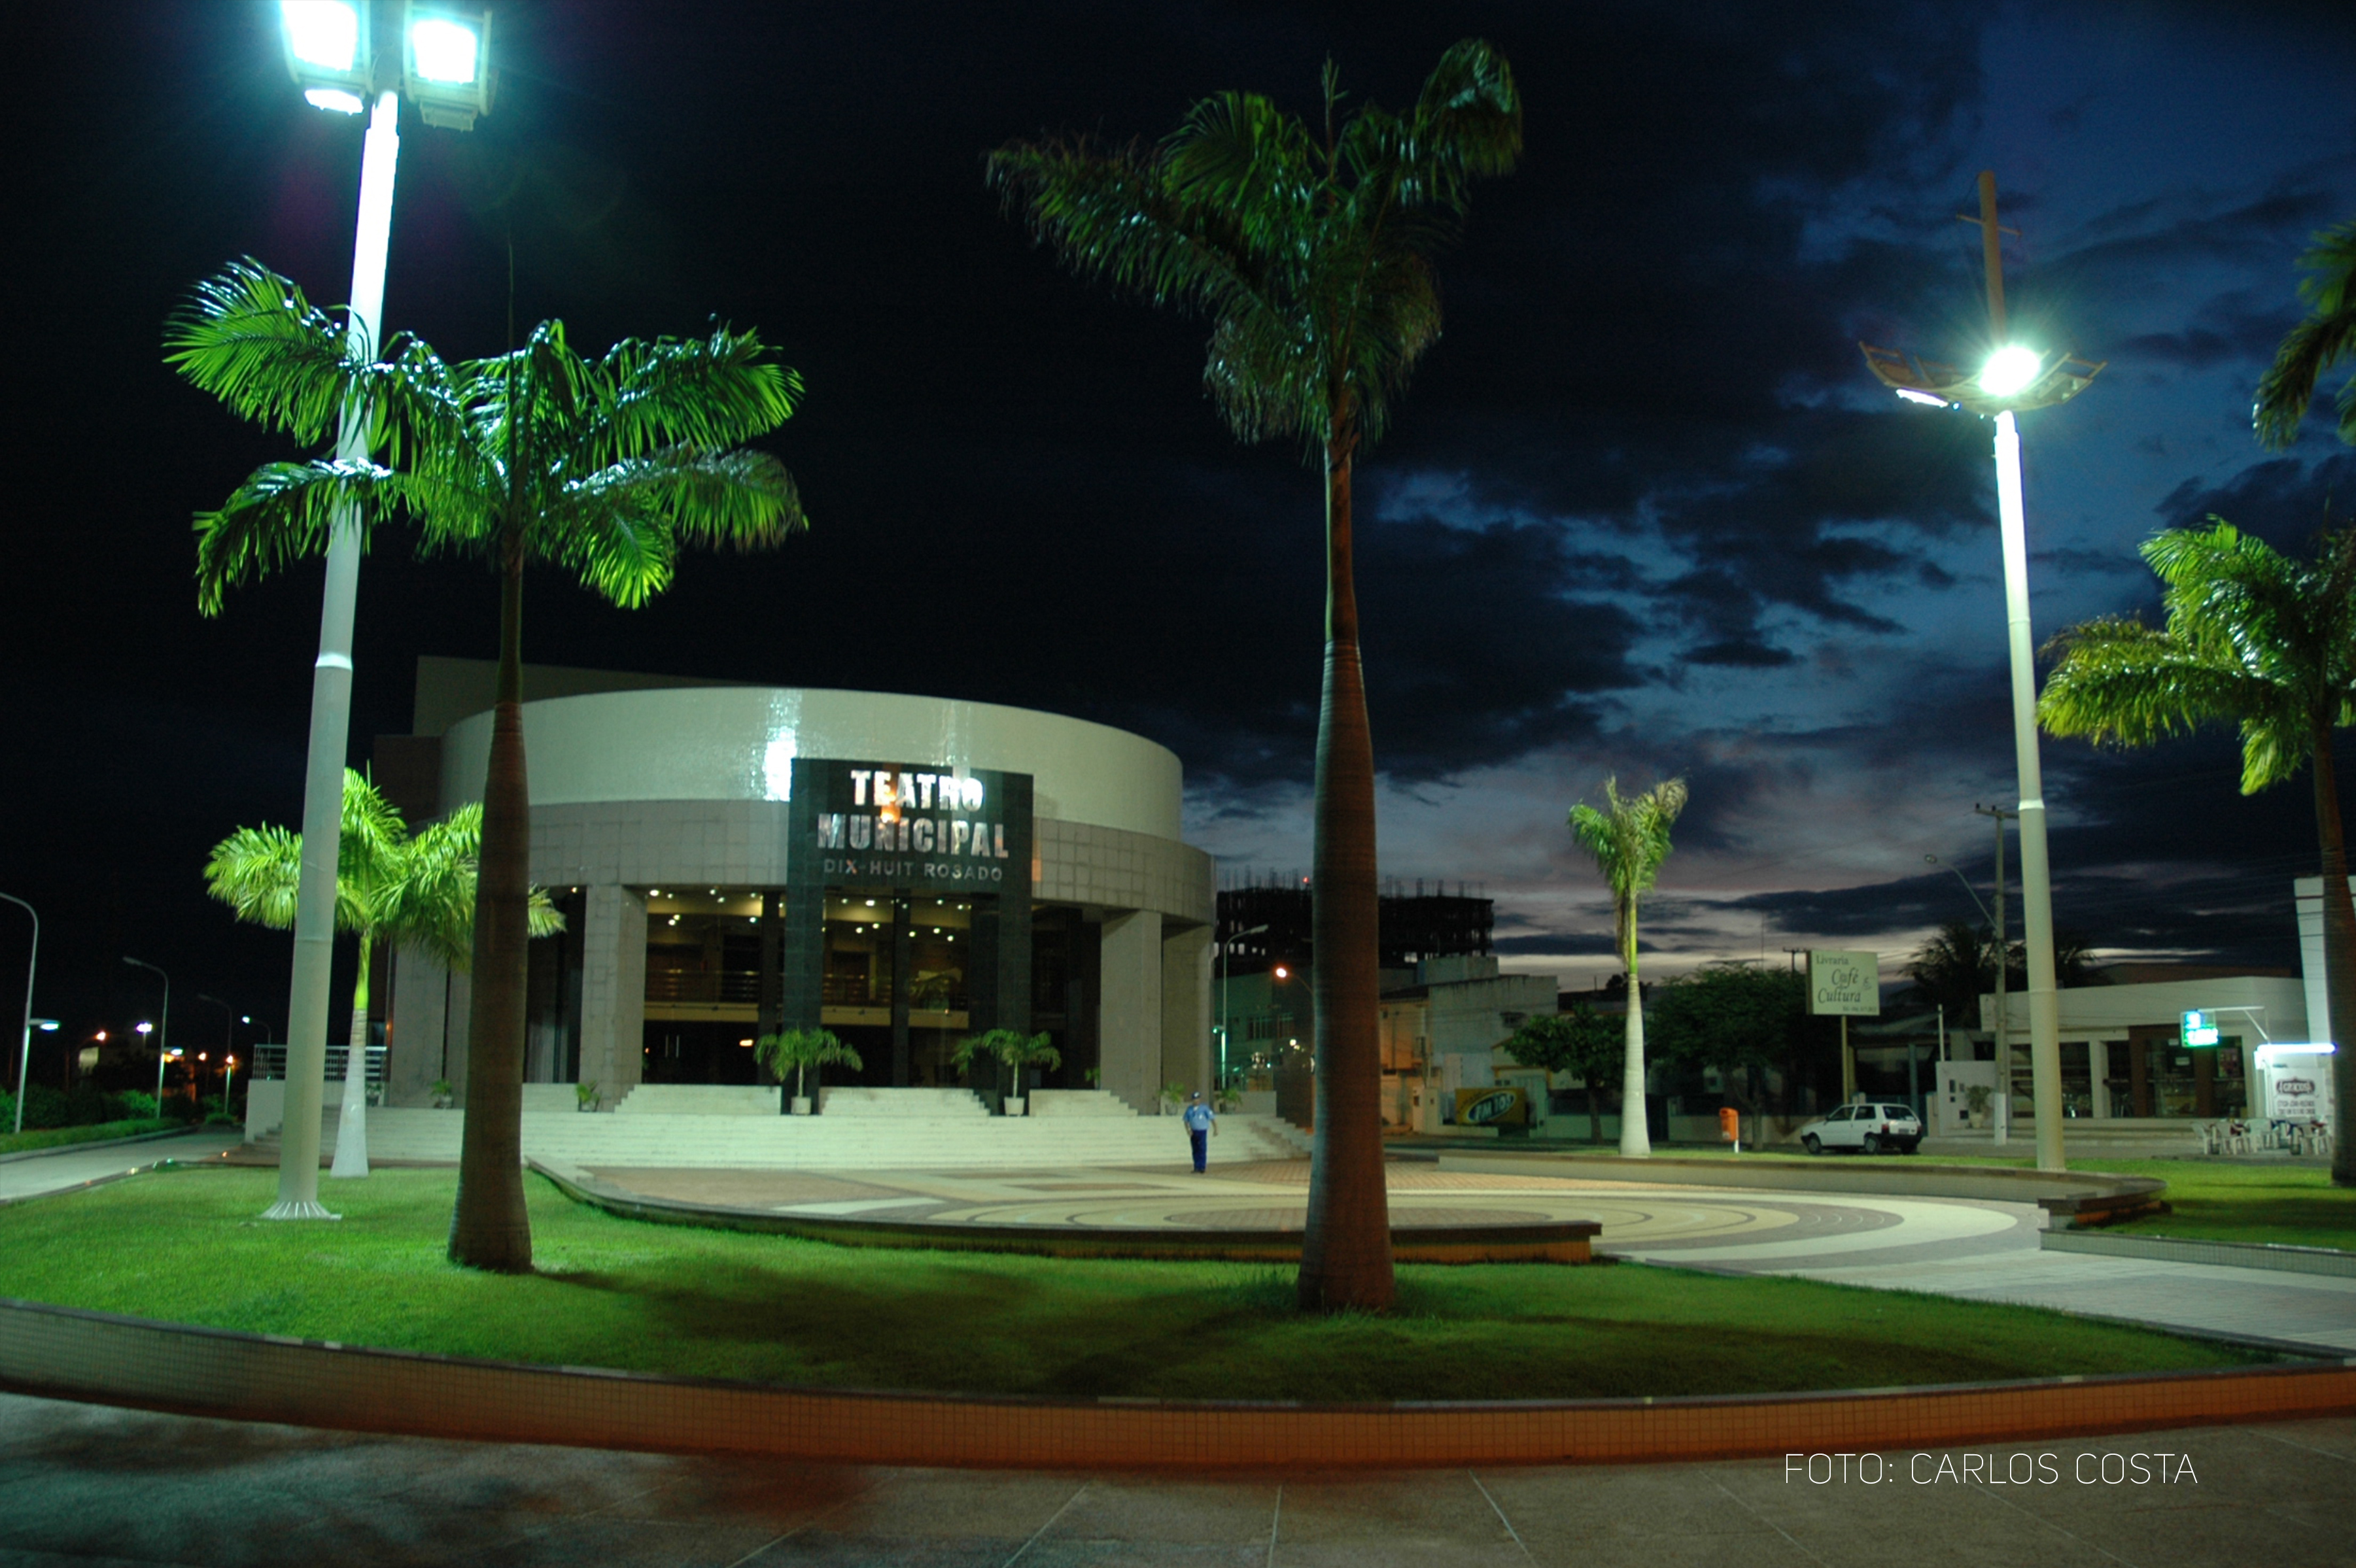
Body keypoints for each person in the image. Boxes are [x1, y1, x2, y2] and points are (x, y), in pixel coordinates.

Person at [1181, 1089, 1217, 1173]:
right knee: (1195, 1150)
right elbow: (1186, 1121)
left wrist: (1216, 1129)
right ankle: (1196, 1166)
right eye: (1194, 1099)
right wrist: (1188, 1131)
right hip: (1194, 1131)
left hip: (1202, 1131)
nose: (1196, 1101)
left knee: (1202, 1149)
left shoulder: (1204, 1108)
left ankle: (1202, 1167)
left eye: (1198, 1099)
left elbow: (1212, 1119)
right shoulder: (1190, 1109)